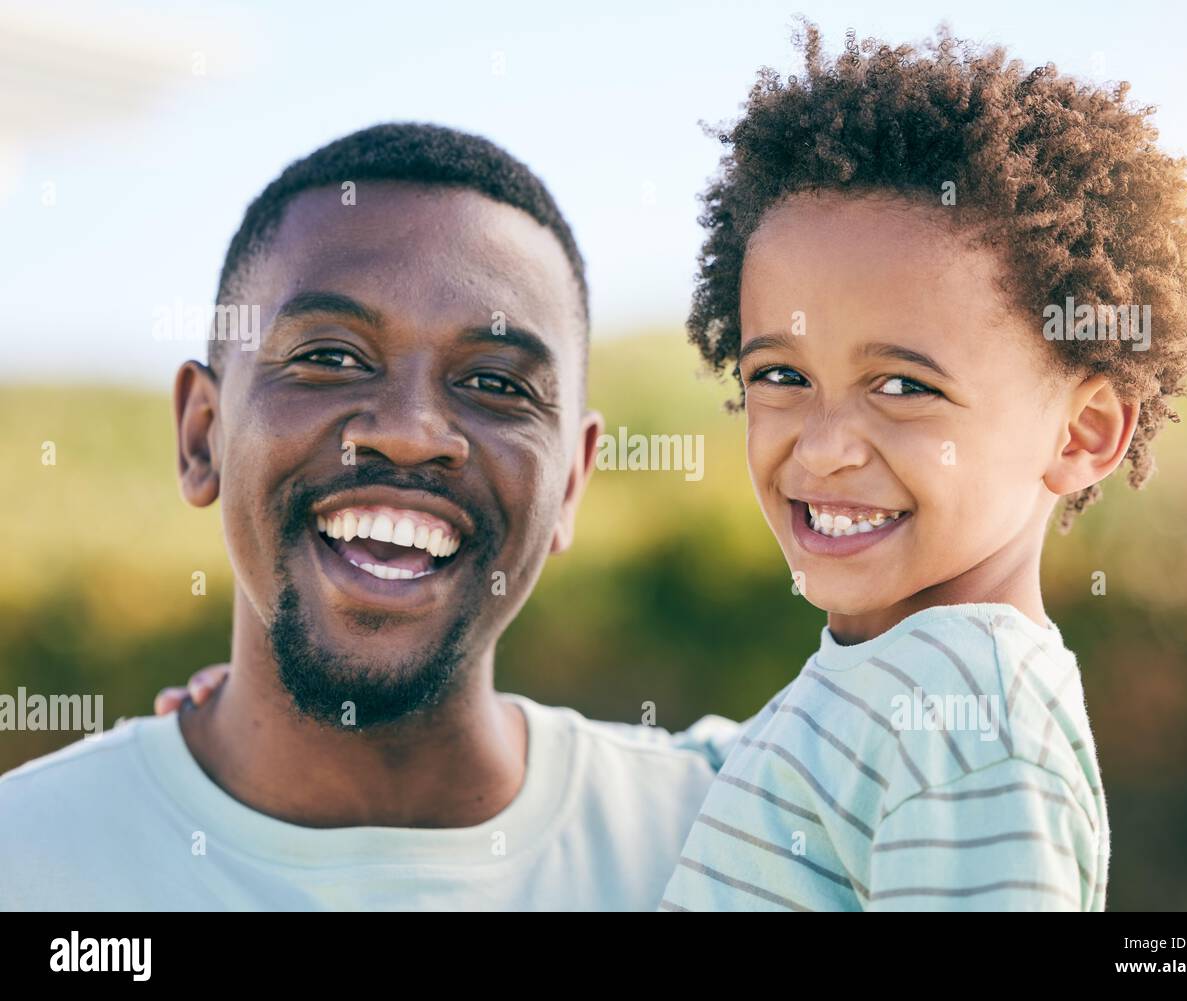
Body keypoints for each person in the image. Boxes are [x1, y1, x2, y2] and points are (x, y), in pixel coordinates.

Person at [0, 123, 738, 911]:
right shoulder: (29, 860)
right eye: (329, 356)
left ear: (570, 484)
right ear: (202, 435)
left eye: (495, 381)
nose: (409, 431)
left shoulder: (736, 831)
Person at [658, 25, 1187, 911]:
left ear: (1081, 434)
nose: (825, 445)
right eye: (781, 375)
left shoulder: (968, 714)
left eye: (903, 385)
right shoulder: (885, 680)